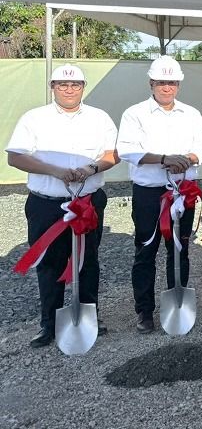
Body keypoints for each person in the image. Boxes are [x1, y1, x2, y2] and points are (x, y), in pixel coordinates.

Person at [6, 64, 118, 348]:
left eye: (75, 85)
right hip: (47, 203)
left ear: (83, 86)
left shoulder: (99, 117)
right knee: (49, 262)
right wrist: (53, 170)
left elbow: (112, 154)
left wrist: (92, 168)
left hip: (87, 201)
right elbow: (16, 157)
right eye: (62, 85)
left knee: (88, 260)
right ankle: (50, 324)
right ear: (52, 86)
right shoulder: (34, 118)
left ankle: (89, 316)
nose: (69, 90)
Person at [116, 56, 202, 333]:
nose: (167, 88)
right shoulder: (134, 114)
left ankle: (176, 302)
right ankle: (144, 311)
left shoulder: (191, 114)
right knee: (146, 251)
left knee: (179, 251)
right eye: (161, 82)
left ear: (178, 84)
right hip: (149, 193)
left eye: (172, 82)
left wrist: (190, 157)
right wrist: (163, 158)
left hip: (183, 192)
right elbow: (127, 150)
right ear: (151, 83)